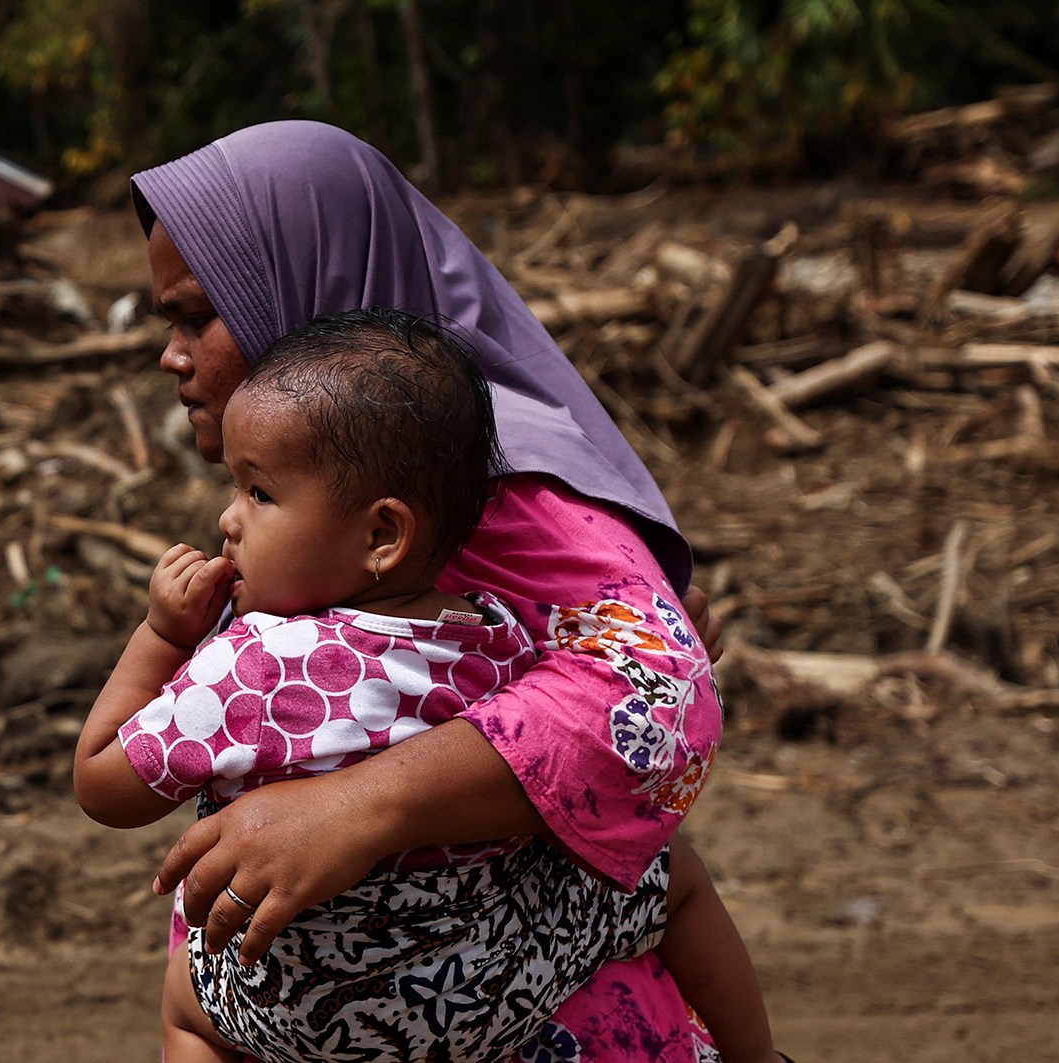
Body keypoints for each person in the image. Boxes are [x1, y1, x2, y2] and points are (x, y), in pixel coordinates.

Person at [123, 120, 777, 1063]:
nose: (171, 355)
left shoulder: (496, 487)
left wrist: (357, 808)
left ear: (305, 291)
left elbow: (659, 696)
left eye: (197, 317)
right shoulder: (320, 493)